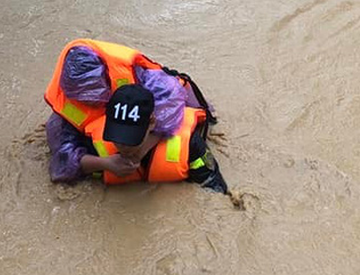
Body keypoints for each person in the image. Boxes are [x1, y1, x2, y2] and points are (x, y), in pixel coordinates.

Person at [44, 39, 228, 193]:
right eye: (83, 98)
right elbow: (61, 164)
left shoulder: (145, 80)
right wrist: (105, 163)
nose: (91, 102)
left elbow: (171, 99)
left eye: (95, 95)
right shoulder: (69, 118)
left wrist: (143, 149)